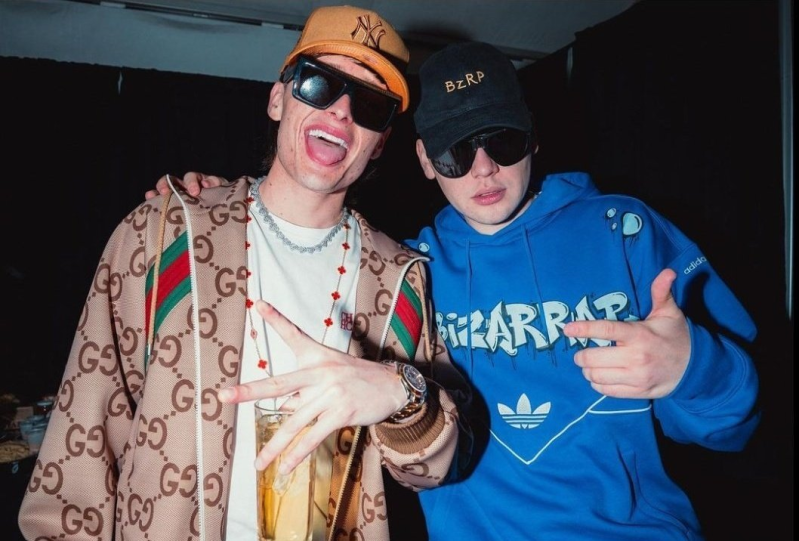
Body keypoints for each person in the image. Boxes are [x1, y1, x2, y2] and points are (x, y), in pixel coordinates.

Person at [161, 40, 761, 540]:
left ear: (532, 137)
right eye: (455, 150)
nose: (483, 168)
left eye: (502, 140)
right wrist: (221, 203)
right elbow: (298, 253)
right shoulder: (405, 274)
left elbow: (740, 427)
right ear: (424, 160)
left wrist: (693, 366)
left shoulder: (624, 231)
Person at [17, 6, 469, 541]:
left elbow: (430, 468)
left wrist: (401, 392)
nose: (343, 111)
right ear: (278, 99)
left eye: (371, 104)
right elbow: (81, 442)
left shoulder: (398, 280)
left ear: (381, 142)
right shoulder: (165, 234)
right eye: (319, 84)